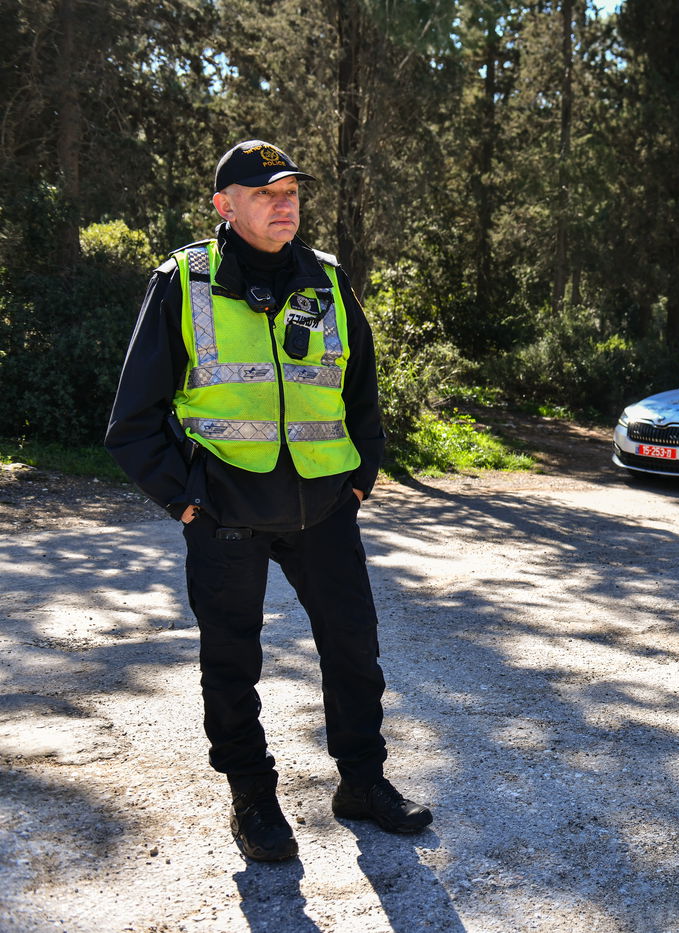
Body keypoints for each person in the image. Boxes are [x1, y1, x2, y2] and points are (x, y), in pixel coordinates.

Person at [106, 140, 431, 862]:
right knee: (231, 662)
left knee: (354, 648)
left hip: (324, 506)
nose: (284, 204)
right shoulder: (184, 279)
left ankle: (363, 780)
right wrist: (188, 500)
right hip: (225, 512)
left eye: (290, 192)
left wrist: (357, 479)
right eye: (264, 193)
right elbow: (132, 422)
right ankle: (252, 797)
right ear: (225, 205)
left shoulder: (329, 280)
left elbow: (362, 394)